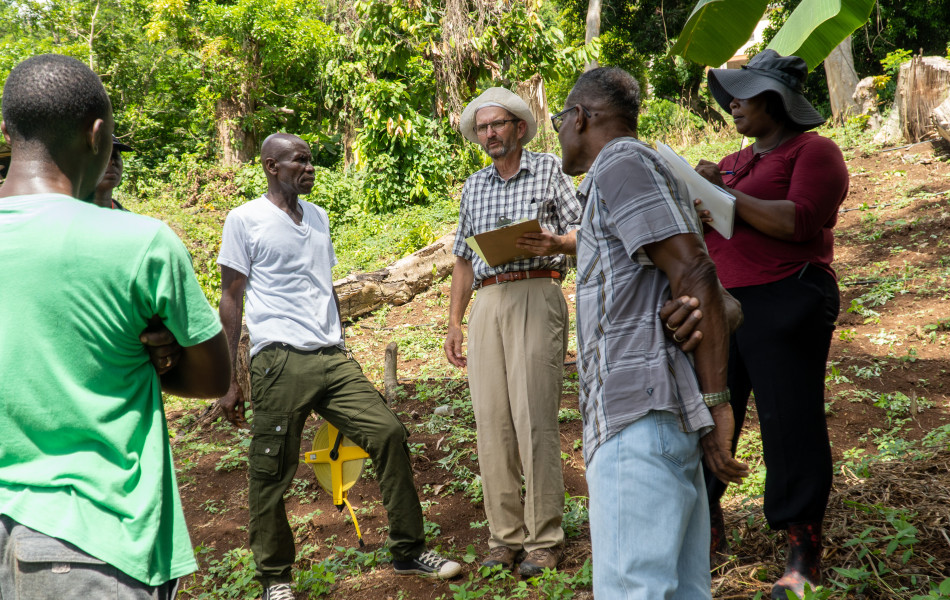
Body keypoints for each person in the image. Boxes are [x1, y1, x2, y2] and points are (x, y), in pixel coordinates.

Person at [0, 54, 232, 598]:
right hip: (92, 541)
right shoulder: (140, 242)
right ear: (97, 135)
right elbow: (215, 378)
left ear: (7, 132)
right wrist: (155, 357)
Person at [212, 132, 462, 600]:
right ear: (271, 166)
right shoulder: (245, 219)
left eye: (311, 160)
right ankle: (275, 579)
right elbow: (231, 297)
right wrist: (229, 379)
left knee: (388, 433)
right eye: (299, 161)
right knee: (271, 470)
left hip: (331, 357)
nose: (309, 168)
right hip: (279, 360)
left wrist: (342, 343)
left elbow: (322, 286)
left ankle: (408, 550)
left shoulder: (319, 217)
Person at [555, 66, 749, 599]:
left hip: (637, 422)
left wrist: (719, 403)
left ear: (579, 117)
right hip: (660, 416)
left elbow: (696, 272)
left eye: (559, 120)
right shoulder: (645, 172)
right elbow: (715, 299)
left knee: (632, 589)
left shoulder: (621, 163)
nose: (559, 133)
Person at [694, 50, 848, 600]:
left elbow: (799, 220)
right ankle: (707, 525)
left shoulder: (814, 151)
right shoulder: (733, 161)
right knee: (708, 412)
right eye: (731, 96)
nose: (732, 105)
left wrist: (723, 194)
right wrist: (700, 193)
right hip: (722, 303)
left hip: (788, 296)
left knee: (790, 420)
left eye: (744, 96)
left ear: (776, 101)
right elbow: (712, 230)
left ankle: (803, 550)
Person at [443, 87, 581, 577]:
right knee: (492, 422)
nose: (490, 134)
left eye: (498, 124)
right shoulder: (474, 185)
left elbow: (586, 230)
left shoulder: (549, 169)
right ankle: (504, 538)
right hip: (488, 301)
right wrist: (454, 322)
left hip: (536, 291)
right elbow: (464, 258)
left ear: (519, 127)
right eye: (482, 128)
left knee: (534, 418)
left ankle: (544, 539)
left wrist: (555, 242)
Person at [93, 136, 133, 209]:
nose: (111, 162)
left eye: (115, 156)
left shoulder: (126, 215)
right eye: (103, 156)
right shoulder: (71, 212)